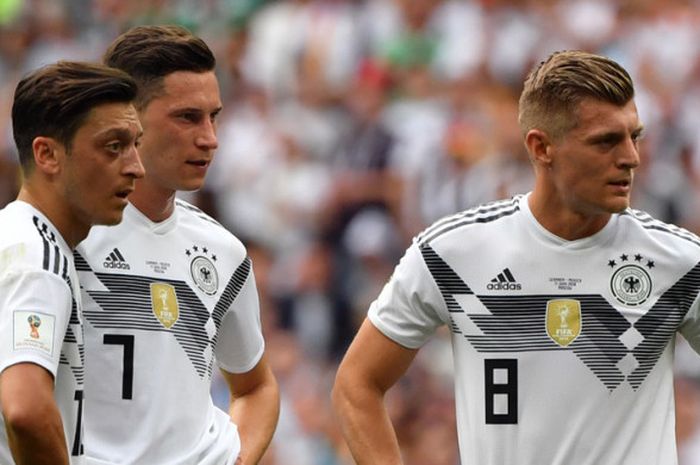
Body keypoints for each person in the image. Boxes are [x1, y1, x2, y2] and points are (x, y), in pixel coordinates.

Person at [332, 49, 700, 464]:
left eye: (635, 136)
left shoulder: (680, 262)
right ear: (541, 147)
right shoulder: (452, 254)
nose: (631, 158)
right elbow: (356, 383)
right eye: (606, 141)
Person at [75, 25, 280, 465]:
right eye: (187, 117)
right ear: (128, 119)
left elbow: (256, 386)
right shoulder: (55, 237)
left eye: (214, 116)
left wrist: (235, 460)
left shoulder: (223, 252)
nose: (210, 138)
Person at [0, 61, 144, 465]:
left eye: (136, 145)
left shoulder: (20, 238)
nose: (136, 166)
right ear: (47, 154)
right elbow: (25, 409)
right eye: (113, 146)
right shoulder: (36, 257)